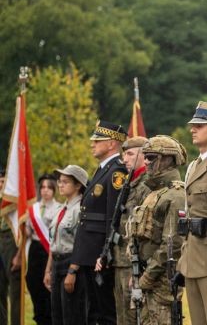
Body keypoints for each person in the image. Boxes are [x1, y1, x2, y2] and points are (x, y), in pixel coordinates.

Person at [70, 120, 128, 325]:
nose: (92, 143)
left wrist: (105, 253)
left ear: (112, 143)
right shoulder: (102, 169)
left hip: (98, 252)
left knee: (105, 311)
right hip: (89, 250)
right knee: (93, 310)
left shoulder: (116, 172)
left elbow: (113, 217)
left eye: (98, 139)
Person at [176, 101, 207, 325]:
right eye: (193, 125)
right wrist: (181, 261)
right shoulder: (194, 166)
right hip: (191, 259)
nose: (192, 129)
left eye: (199, 125)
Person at [128, 135, 186, 324]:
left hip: (161, 283)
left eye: (151, 157)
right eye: (145, 156)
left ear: (167, 159)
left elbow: (172, 245)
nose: (145, 161)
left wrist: (146, 277)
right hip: (147, 276)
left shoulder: (175, 196)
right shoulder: (154, 193)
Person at [111, 136, 149, 325]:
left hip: (134, 264)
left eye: (130, 154)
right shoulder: (129, 184)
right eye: (124, 154)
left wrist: (140, 269)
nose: (124, 159)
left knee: (134, 316)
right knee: (122, 316)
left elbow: (145, 230)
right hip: (120, 261)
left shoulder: (147, 185)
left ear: (144, 155)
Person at [43, 165, 88, 325]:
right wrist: (48, 269)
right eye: (59, 181)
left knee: (72, 315)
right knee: (57, 315)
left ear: (77, 185)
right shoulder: (62, 209)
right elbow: (53, 241)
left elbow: (81, 243)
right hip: (56, 263)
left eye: (65, 182)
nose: (60, 185)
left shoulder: (80, 209)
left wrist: (72, 271)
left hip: (71, 263)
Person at [26, 174, 60, 325]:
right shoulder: (33, 209)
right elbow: (28, 232)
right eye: (43, 187)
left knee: (49, 290)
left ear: (54, 189)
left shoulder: (59, 208)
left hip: (50, 251)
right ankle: (38, 319)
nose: (45, 190)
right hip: (35, 250)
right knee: (34, 285)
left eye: (49, 187)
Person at [0, 167, 21, 325]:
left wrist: (19, 255)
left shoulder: (16, 200)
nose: (1, 185)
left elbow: (23, 228)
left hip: (11, 242)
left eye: (3, 182)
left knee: (15, 292)